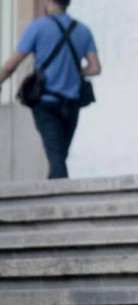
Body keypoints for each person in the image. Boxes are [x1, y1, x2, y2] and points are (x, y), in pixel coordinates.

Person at [0, 0, 100, 179]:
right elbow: (95, 68)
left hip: (46, 103)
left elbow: (11, 65)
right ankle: (56, 195)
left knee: (56, 157)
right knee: (59, 156)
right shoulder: (83, 30)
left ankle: (58, 202)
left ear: (48, 2)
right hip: (72, 104)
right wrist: (74, 71)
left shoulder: (37, 27)